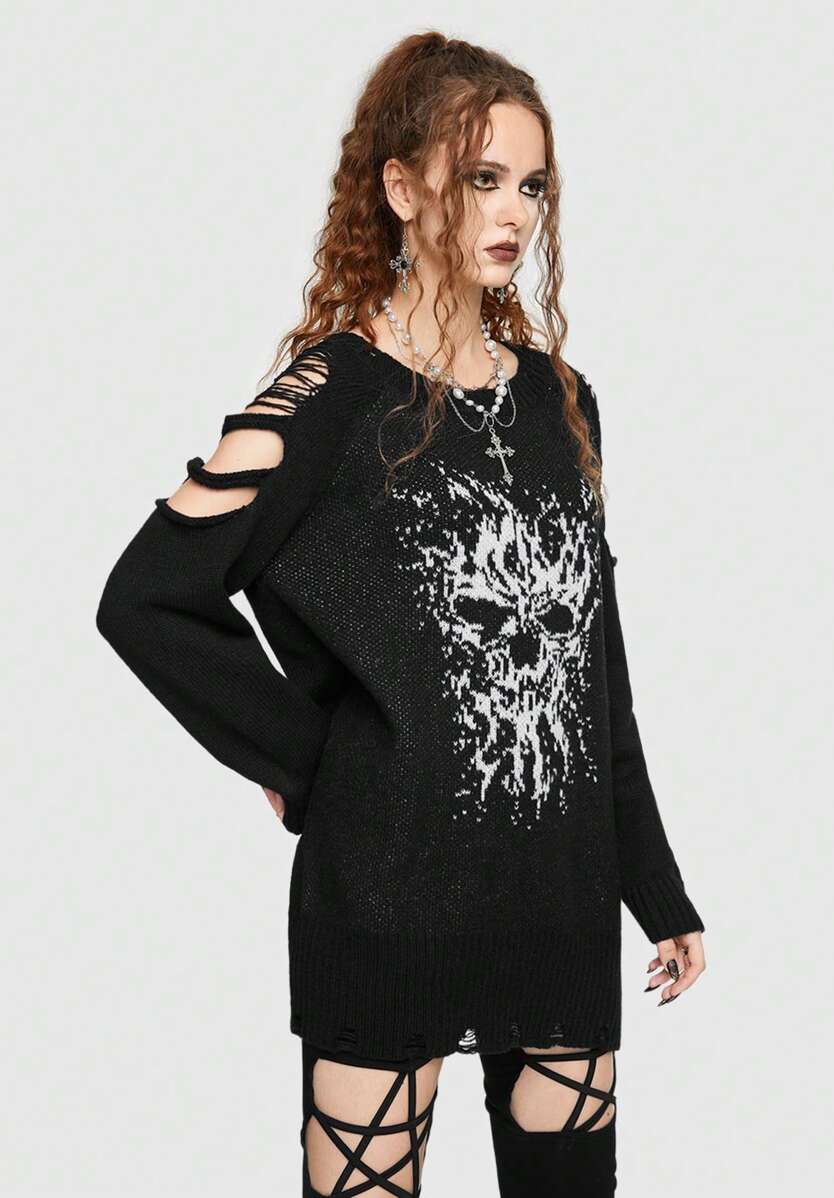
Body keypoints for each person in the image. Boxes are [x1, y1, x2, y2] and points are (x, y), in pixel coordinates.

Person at [95, 30, 707, 1198]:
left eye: (533, 185)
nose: (514, 212)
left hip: (558, 901)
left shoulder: (562, 401)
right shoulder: (326, 397)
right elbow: (149, 595)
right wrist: (311, 759)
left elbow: (593, 668)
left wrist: (655, 884)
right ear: (402, 186)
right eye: (482, 177)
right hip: (388, 899)